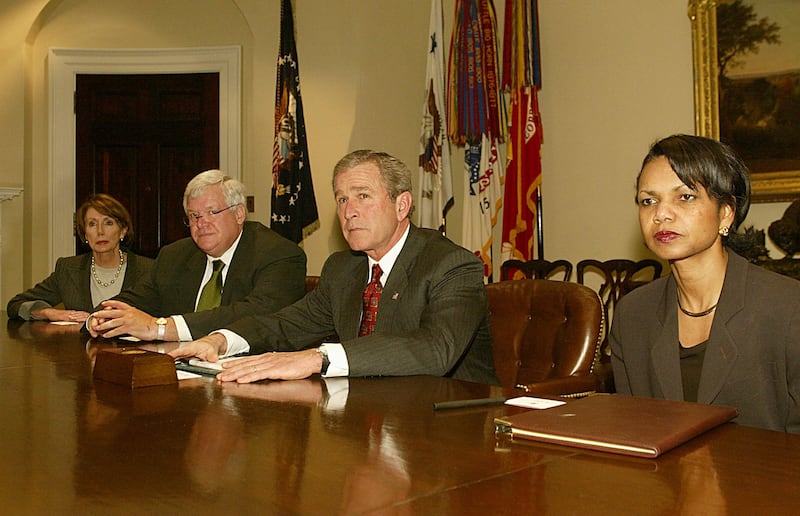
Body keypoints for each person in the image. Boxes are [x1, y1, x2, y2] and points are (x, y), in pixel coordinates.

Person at [171, 150, 498, 385]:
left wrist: (319, 357)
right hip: (364, 416)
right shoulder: (344, 268)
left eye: (363, 196)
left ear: (402, 205)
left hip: (448, 428)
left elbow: (436, 349)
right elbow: (288, 323)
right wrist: (223, 339)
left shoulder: (451, 265)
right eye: (342, 199)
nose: (349, 211)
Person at [610, 134, 800, 433]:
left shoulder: (788, 308)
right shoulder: (633, 315)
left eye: (685, 197)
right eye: (648, 201)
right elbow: (634, 434)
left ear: (726, 212)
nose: (660, 214)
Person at [87, 169, 307, 341]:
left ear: (239, 213)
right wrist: (98, 320)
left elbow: (256, 314)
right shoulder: (175, 256)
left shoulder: (279, 255)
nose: (202, 224)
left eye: (212, 212)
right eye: (194, 216)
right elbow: (134, 299)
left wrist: (161, 328)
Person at [7, 194, 153, 323]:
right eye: (92, 224)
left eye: (108, 223)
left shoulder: (147, 270)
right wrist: (48, 313)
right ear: (85, 234)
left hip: (133, 352)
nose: (100, 231)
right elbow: (16, 304)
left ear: (122, 230)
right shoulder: (68, 269)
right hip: (80, 351)